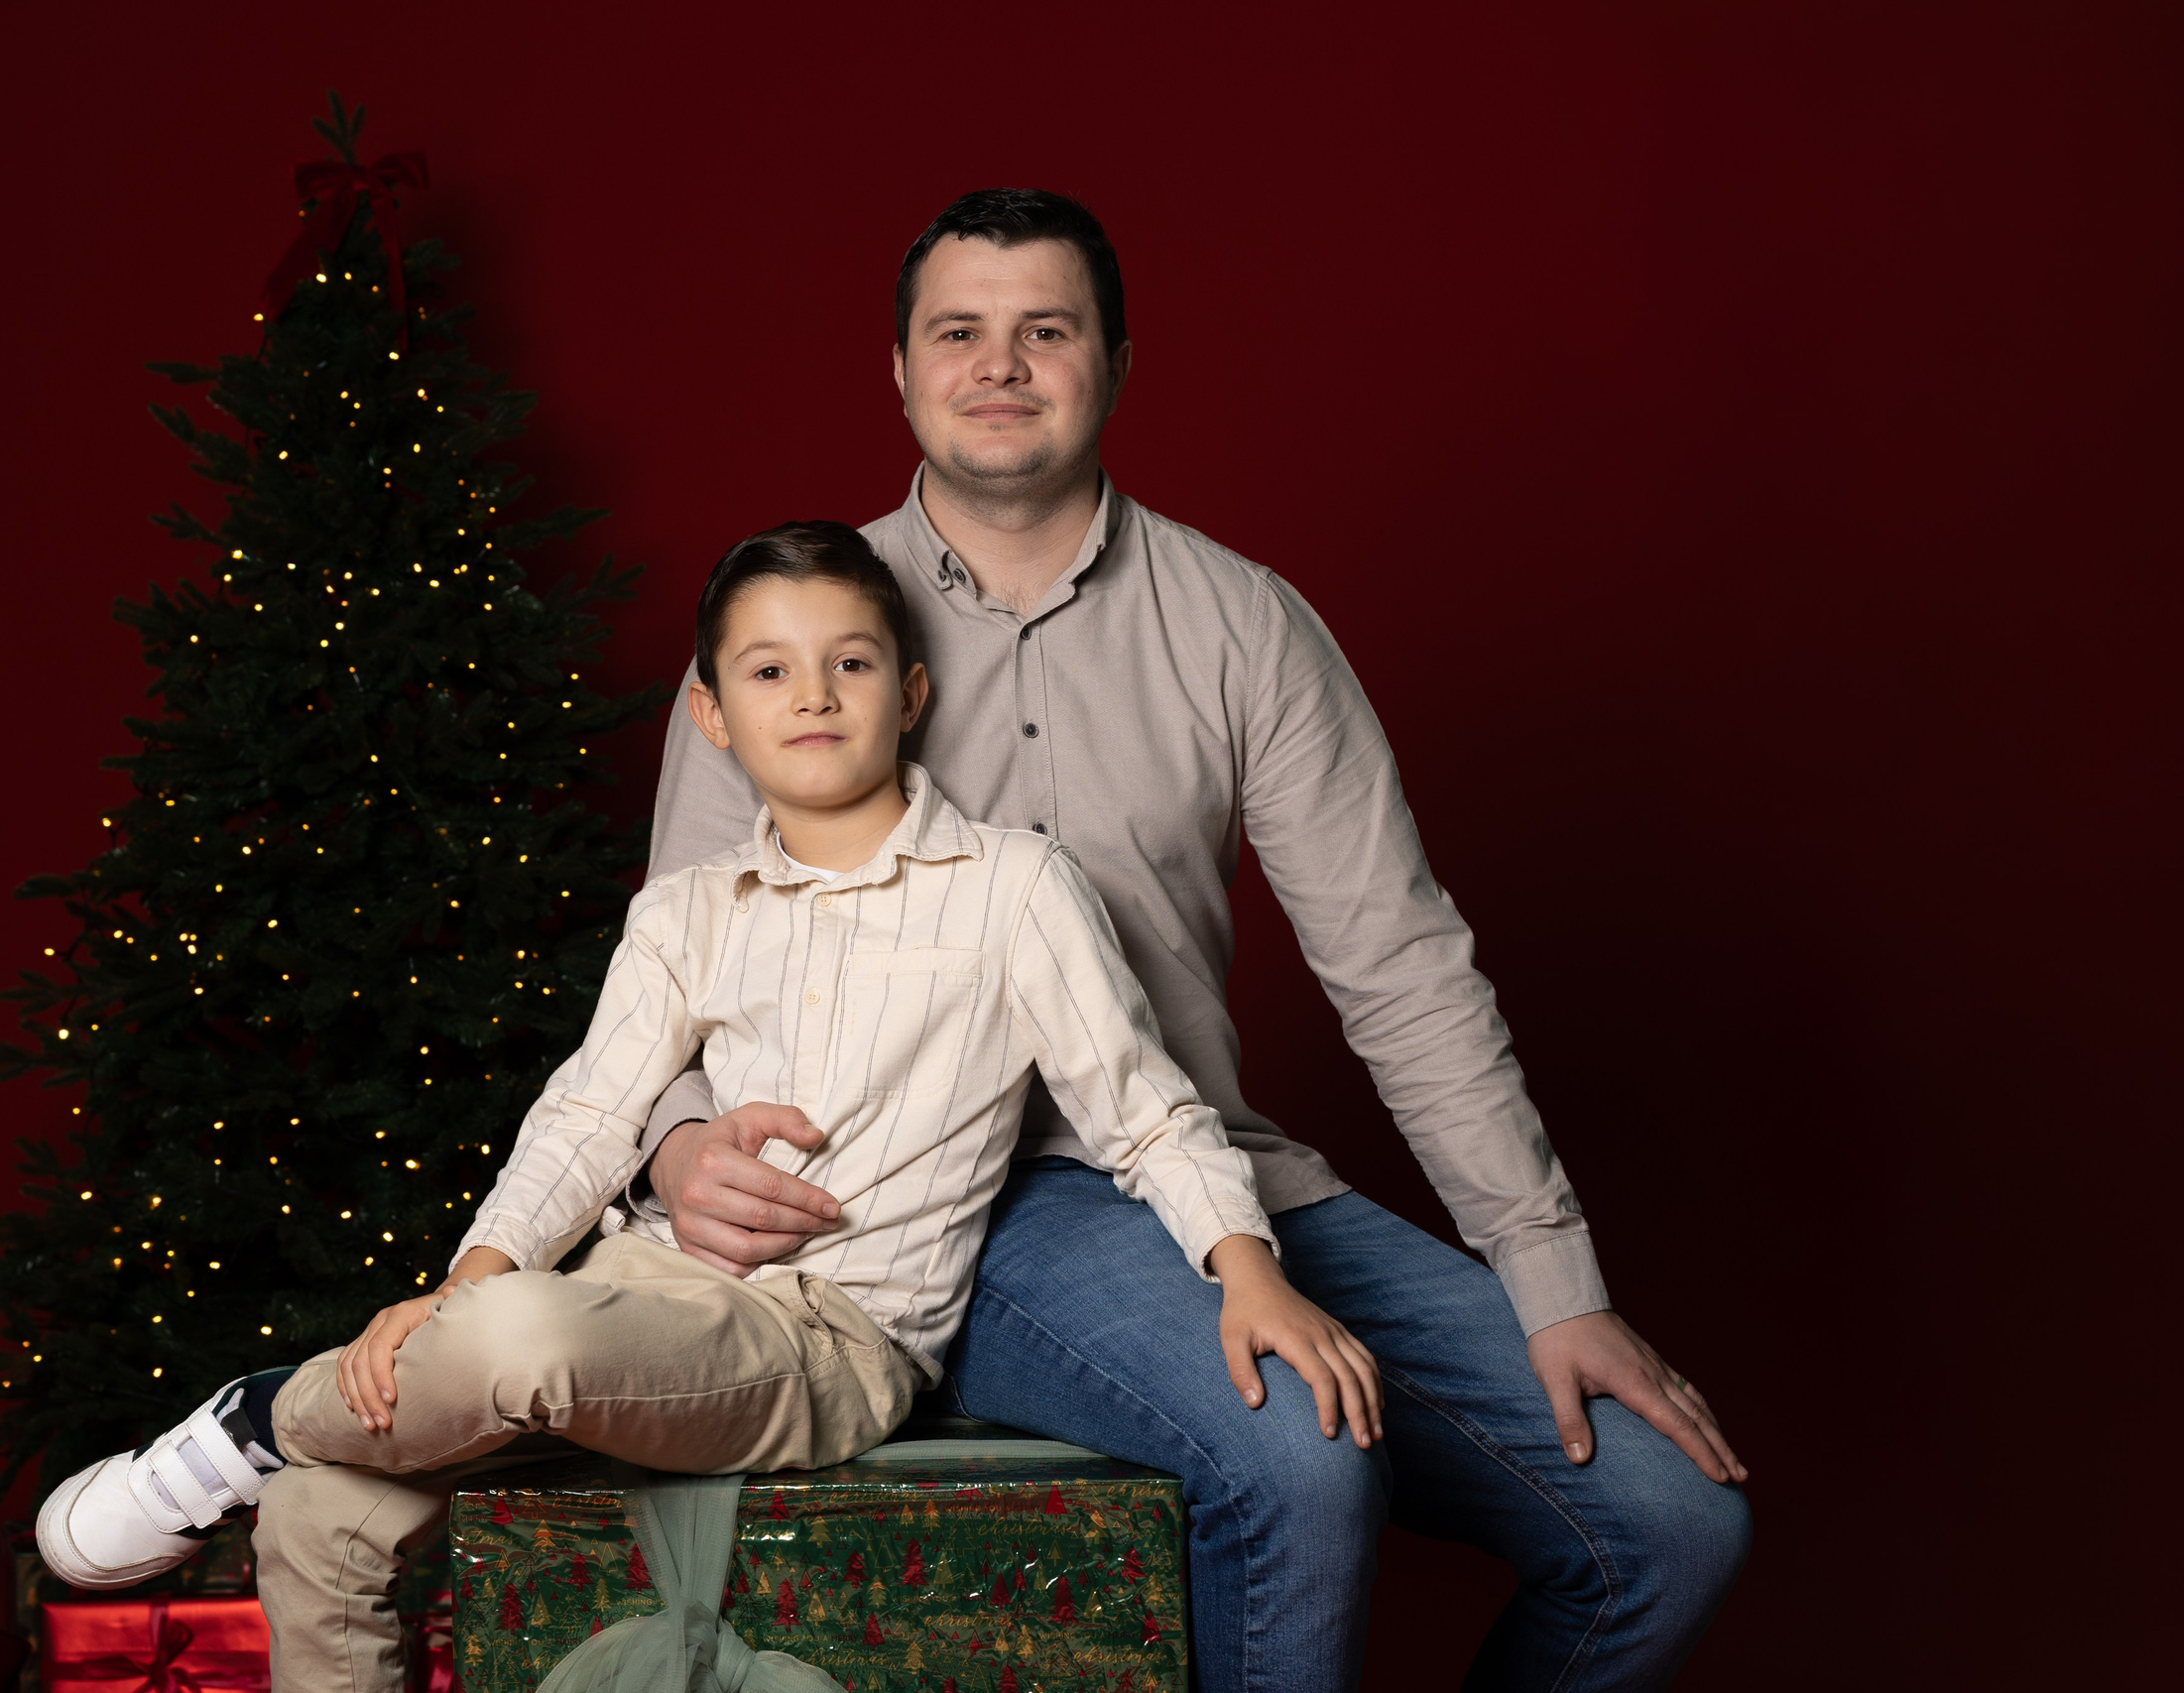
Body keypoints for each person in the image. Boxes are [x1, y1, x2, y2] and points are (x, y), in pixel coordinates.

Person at [635, 190, 1753, 1692]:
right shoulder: (788, 636)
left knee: (1667, 1520)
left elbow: (1401, 969)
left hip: (1216, 1171)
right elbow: (676, 966)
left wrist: (1557, 1280)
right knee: (1295, 1455)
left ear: (1117, 361)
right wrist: (680, 1142)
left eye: (1048, 330)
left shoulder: (1245, 627)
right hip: (944, 1204)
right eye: (959, 333)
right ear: (900, 373)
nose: (1001, 366)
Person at [35, 522, 1382, 1693]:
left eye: (851, 663)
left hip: (828, 1343)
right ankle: (301, 1445)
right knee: (323, 1514)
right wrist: (468, 1280)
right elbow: (591, 1111)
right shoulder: (686, 913)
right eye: (769, 668)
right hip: (649, 1295)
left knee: (512, 1347)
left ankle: (258, 1415)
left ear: (910, 692)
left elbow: (1143, 1107)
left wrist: (1245, 1270)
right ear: (711, 714)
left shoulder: (1013, 887)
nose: (815, 694)